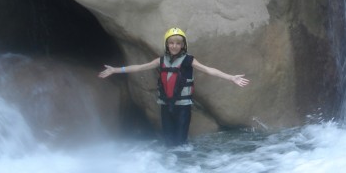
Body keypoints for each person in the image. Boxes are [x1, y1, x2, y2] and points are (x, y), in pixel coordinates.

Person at [99, 27, 249, 146]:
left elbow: (209, 70)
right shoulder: (160, 60)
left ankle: (182, 166)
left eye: (178, 43)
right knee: (169, 142)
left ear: (183, 45)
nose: (174, 46)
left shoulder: (189, 60)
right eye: (171, 43)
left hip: (183, 107)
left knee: (180, 142)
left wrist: (231, 77)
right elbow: (139, 67)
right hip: (166, 105)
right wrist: (115, 70)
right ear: (167, 44)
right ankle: (172, 166)